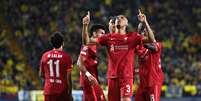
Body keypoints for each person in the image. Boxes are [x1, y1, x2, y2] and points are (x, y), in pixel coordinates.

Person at [83, 10, 155, 101]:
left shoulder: (132, 37)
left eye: (122, 18)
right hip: (112, 77)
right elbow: (86, 41)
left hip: (126, 77)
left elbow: (151, 39)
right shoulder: (108, 38)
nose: (119, 19)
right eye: (117, 18)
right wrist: (85, 25)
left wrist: (145, 22)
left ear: (126, 23)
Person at [77, 12, 106, 101]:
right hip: (88, 81)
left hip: (93, 81)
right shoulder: (88, 45)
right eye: (102, 33)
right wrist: (88, 75)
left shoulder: (95, 46)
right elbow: (79, 63)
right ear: (94, 33)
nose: (103, 35)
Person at [135, 17, 164, 101]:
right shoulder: (139, 47)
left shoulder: (157, 45)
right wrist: (138, 33)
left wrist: (144, 23)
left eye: (146, 32)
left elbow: (151, 46)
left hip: (153, 82)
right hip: (143, 83)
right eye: (143, 32)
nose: (144, 33)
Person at [39, 32, 73, 101]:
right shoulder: (67, 57)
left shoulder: (45, 56)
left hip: (49, 91)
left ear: (52, 43)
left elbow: (41, 74)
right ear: (63, 43)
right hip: (62, 92)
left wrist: (50, 79)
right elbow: (68, 78)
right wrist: (70, 94)